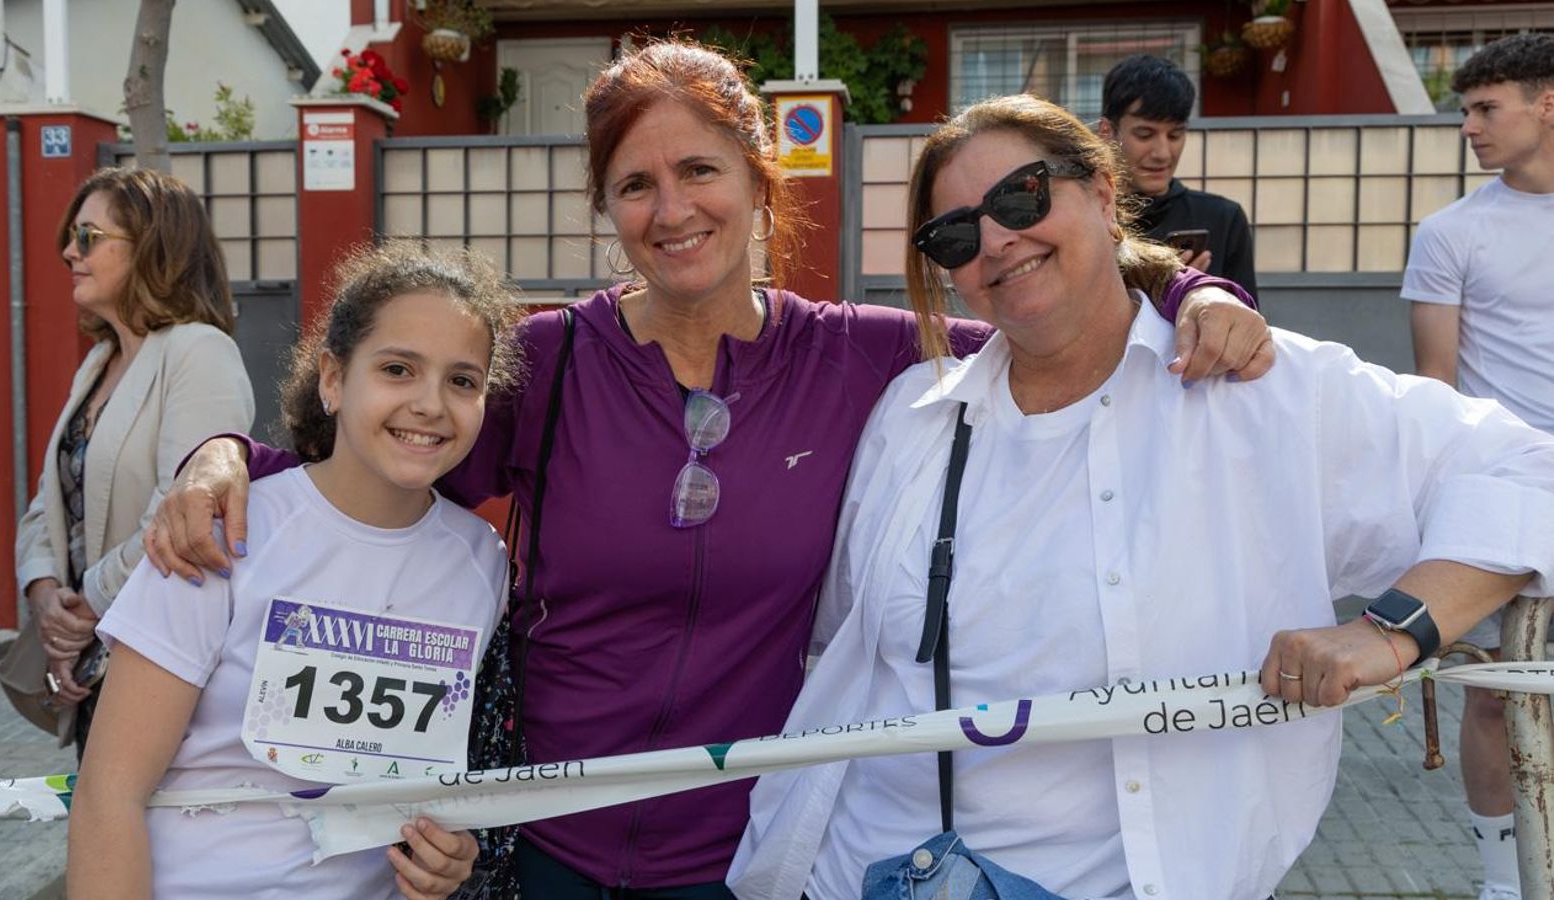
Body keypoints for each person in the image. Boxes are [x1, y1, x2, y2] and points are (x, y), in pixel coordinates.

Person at [141, 40, 1272, 898]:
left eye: (698, 170)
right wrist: (224, 454)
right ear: (608, 212)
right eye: (635, 186)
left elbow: (1057, 320)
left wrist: (1189, 290)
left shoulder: (860, 354)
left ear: (759, 180)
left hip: (761, 852)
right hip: (550, 847)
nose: (671, 209)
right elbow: (377, 456)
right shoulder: (547, 360)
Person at [729, 93, 1554, 900]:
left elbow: (1527, 469)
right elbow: (847, 645)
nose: (997, 241)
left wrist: (1393, 628)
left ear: (1101, 191)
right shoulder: (915, 416)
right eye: (955, 235)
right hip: (866, 870)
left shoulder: (1259, 392)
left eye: (1022, 196)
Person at [67, 244, 520, 899]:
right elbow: (109, 792)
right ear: (333, 380)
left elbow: (432, 787)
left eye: (462, 381)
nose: (430, 404)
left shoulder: (481, 563)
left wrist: (448, 859)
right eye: (398, 369)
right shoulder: (223, 532)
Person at [0, 167, 255, 758]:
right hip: (92, 656)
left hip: (154, 660)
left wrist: (86, 605)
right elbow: (49, 500)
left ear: (153, 248)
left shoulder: (200, 351)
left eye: (88, 237)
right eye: (72, 236)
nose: (69, 251)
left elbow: (186, 512)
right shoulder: (100, 361)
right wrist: (44, 595)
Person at [1403, 33, 1554, 900]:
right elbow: (1434, 389)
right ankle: (1506, 880)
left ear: (1546, 105)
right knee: (1495, 696)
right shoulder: (1450, 231)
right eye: (1465, 109)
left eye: (1486, 107)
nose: (1470, 125)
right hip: (1504, 493)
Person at [1098, 54, 1259, 302]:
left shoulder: (1223, 219)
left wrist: (1200, 295)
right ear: (1108, 132)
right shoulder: (1088, 216)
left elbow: (1249, 322)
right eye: (1144, 135)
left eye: (1175, 135)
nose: (1163, 154)